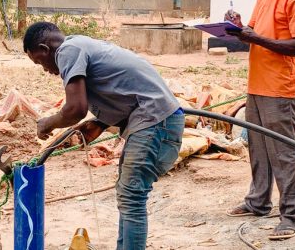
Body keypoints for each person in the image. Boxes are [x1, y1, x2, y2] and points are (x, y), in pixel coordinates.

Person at [23, 21, 185, 249]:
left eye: (39, 62)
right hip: (159, 121)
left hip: (155, 122)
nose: (46, 70)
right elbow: (123, 89)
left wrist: (47, 124)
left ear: (45, 48)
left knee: (132, 197)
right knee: (129, 196)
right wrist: (100, 123)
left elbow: (75, 109)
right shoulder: (84, 45)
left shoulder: (68, 50)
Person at [224, 0, 295, 240]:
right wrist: (239, 28)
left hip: (280, 88)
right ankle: (258, 202)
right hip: (257, 85)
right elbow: (253, 32)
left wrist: (254, 37)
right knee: (259, 149)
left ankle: (292, 217)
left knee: (284, 153)